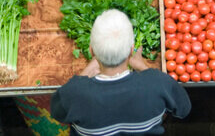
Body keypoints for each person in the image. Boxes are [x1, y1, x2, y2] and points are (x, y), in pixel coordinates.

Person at [51, 9, 191, 135]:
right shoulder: (159, 83)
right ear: (131, 51)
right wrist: (143, 66)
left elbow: (57, 113)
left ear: (91, 50)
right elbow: (184, 109)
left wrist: (86, 71)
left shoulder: (74, 92)